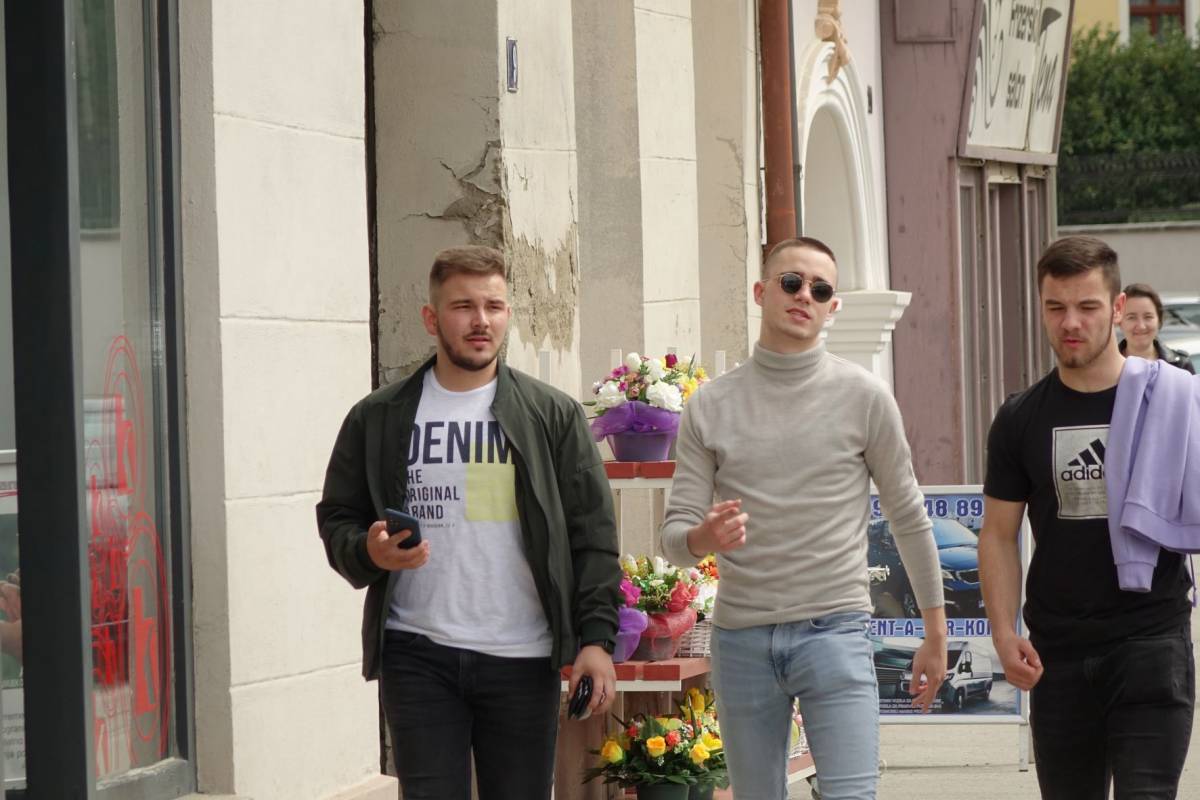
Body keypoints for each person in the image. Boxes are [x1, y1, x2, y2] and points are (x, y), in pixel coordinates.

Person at [316, 245, 622, 800]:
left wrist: (596, 640)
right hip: (417, 653)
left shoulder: (551, 414)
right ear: (432, 319)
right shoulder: (378, 416)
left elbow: (593, 535)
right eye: (463, 306)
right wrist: (369, 552)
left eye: (493, 306)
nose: (481, 320)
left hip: (522, 656)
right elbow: (338, 516)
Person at [660, 236, 947, 800]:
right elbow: (673, 539)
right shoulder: (710, 405)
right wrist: (703, 536)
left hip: (835, 631)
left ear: (832, 307)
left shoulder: (865, 397)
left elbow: (908, 517)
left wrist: (935, 634)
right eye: (791, 282)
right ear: (760, 291)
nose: (804, 296)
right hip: (742, 639)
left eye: (820, 289)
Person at [979, 236, 1193, 799]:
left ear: (1118, 308)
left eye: (1087, 306)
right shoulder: (1020, 418)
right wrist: (1003, 632)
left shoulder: (1170, 403)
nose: (1070, 322)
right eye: (1055, 307)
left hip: (1151, 639)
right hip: (1058, 652)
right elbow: (998, 535)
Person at [1118, 282, 1195, 373]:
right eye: (1131, 317)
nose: (1141, 326)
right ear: (1119, 321)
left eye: (1148, 317)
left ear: (1159, 320)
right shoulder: (1107, 367)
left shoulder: (1181, 365)